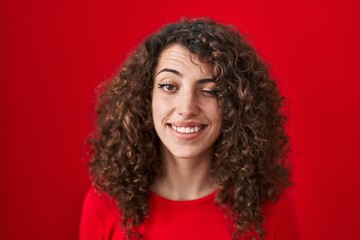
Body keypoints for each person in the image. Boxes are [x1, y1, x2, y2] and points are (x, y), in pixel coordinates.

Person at [79, 18, 298, 240]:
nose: (187, 108)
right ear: (146, 97)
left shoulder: (270, 209)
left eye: (210, 90)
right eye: (169, 86)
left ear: (236, 105)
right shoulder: (104, 206)